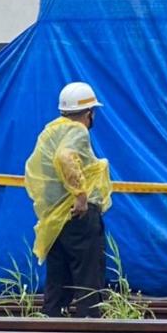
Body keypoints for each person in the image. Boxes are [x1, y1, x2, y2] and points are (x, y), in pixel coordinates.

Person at [25, 82, 112, 318]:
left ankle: (51, 332)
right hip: (79, 217)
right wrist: (81, 196)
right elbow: (65, 158)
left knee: (57, 280)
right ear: (89, 113)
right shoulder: (78, 130)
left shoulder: (51, 130)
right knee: (88, 280)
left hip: (56, 219)